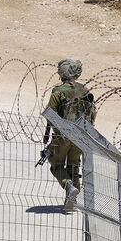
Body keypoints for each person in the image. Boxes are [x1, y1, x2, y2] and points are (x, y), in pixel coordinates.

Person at [42, 58, 96, 212]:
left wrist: (54, 133)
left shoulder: (58, 92)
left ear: (62, 73)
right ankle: (73, 200)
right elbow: (92, 113)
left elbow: (50, 114)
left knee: (56, 163)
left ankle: (68, 186)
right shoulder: (85, 90)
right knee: (74, 166)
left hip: (63, 135)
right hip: (81, 135)